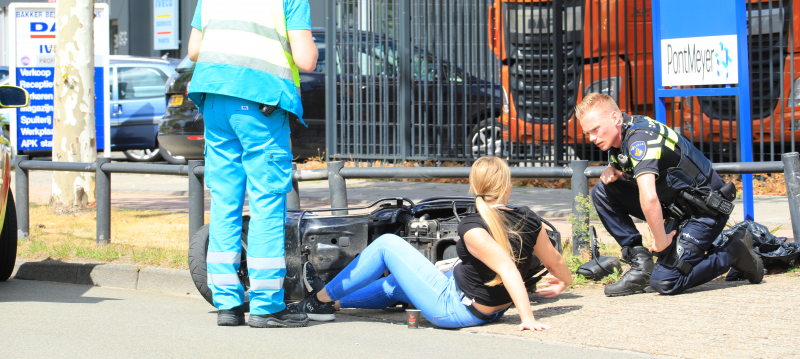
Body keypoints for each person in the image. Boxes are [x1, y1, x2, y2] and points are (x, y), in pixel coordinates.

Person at [187, 0, 318, 327]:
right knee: (266, 199)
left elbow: (194, 49)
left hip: (214, 99)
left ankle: (227, 304)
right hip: (260, 103)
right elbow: (307, 59)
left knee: (225, 200)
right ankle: (265, 305)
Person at [286, 156, 572, 330]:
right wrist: (565, 281)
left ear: (474, 187)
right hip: (481, 304)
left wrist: (527, 318)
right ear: (508, 187)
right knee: (395, 283)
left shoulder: (473, 226)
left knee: (387, 244)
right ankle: (333, 302)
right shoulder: (528, 218)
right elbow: (555, 262)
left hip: (456, 308)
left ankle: (318, 300)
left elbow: (508, 269)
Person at [575, 92, 763, 296]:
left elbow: (649, 196)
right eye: (587, 133)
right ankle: (641, 265)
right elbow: (632, 166)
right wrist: (613, 169)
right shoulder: (620, 136)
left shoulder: (640, 139)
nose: (592, 138)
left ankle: (734, 252)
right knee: (603, 191)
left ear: (614, 118)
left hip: (705, 211)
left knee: (665, 281)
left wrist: (661, 239)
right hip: (677, 209)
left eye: (595, 129)